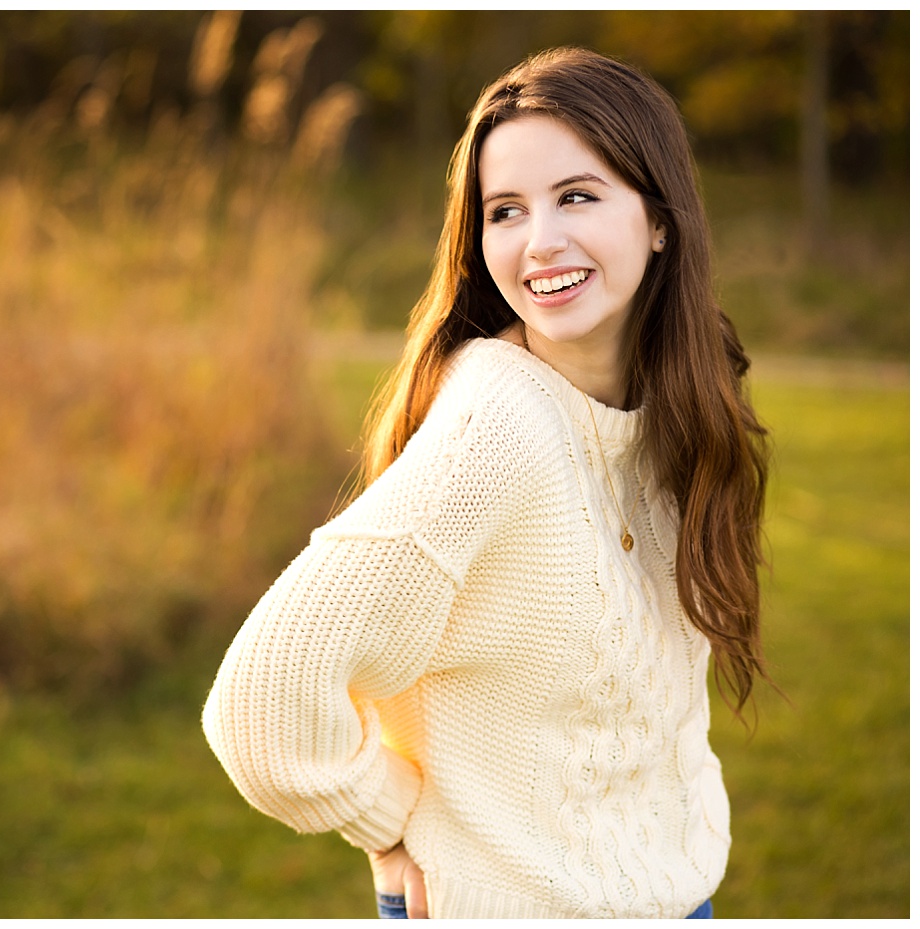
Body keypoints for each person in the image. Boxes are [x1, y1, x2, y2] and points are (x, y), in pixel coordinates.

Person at [201, 47, 769, 919]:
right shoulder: (495, 428)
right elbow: (262, 697)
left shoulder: (679, 403)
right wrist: (386, 820)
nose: (540, 241)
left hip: (678, 894)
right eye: (506, 211)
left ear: (661, 219)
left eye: (576, 196)